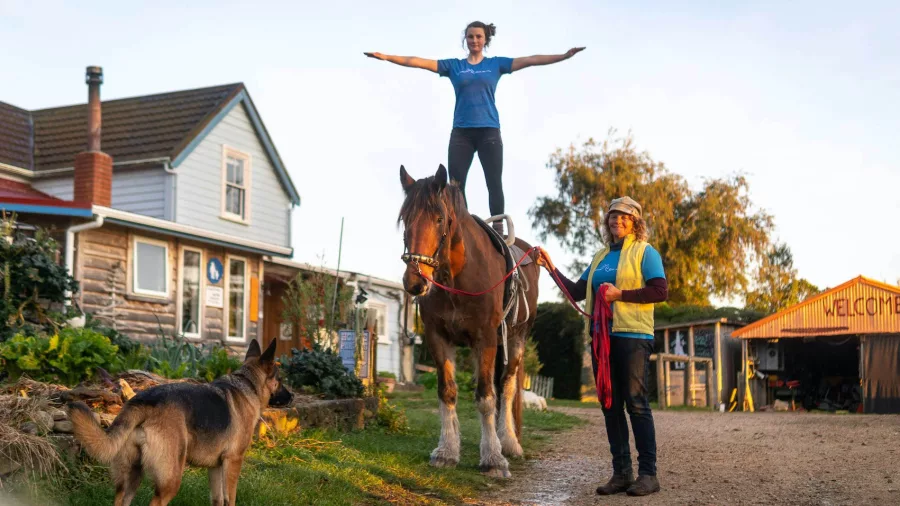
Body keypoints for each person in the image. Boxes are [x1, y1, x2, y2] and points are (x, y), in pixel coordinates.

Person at [365, 21, 584, 234]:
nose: (474, 40)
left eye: (478, 36)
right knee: (455, 186)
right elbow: (418, 61)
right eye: (470, 36)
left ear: (485, 39)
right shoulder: (455, 66)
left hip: (489, 131)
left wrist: (563, 56)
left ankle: (498, 226)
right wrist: (386, 57)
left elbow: (531, 60)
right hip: (461, 133)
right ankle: (462, 224)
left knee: (494, 182)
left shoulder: (495, 64)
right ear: (466, 39)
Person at [537, 196, 667, 497]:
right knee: (610, 406)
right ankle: (622, 474)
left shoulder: (646, 253)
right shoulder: (600, 257)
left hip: (633, 337)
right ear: (607, 222)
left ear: (635, 222)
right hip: (601, 339)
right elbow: (577, 291)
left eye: (624, 216)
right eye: (612, 216)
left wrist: (620, 294)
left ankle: (649, 474)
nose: (617, 221)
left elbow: (660, 290)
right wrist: (550, 267)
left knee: (636, 404)